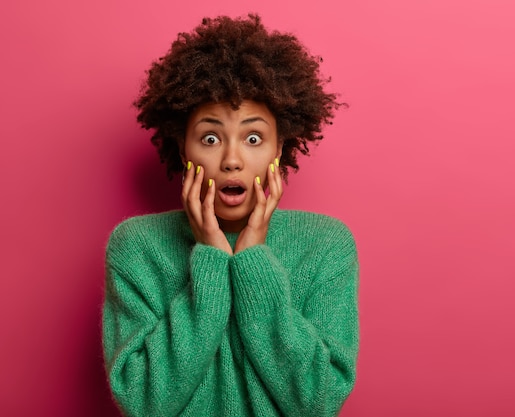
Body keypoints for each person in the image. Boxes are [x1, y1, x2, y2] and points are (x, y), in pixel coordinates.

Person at [102, 14, 359, 417]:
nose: (232, 160)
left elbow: (319, 401)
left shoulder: (325, 244)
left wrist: (253, 261)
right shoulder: (137, 246)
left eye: (253, 138)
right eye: (210, 138)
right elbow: (145, 402)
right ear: (183, 149)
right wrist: (210, 259)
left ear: (279, 149)